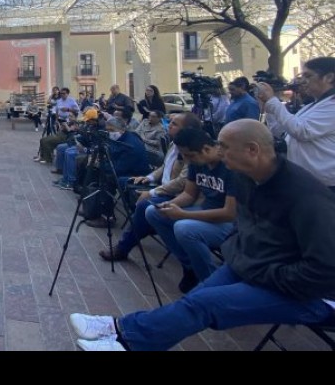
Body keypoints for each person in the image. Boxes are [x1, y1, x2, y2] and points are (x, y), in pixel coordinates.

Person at [69, 119, 335, 352]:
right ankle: (120, 329)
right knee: (196, 298)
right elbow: (246, 227)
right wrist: (241, 257)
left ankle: (127, 341)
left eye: (225, 146)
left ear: (252, 150)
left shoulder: (306, 197)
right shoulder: (246, 177)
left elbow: (323, 271)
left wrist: (261, 272)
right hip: (256, 265)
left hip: (310, 293)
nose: (219, 151)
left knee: (205, 304)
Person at [98, 112, 201, 263]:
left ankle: (124, 247)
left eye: (174, 124)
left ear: (187, 129)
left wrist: (153, 192)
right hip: (161, 186)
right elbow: (164, 167)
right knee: (123, 182)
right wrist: (149, 177)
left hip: (174, 194)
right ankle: (132, 220)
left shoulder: (192, 151)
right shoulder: (173, 144)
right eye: (170, 122)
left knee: (144, 205)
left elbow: (181, 182)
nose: (169, 125)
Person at [145, 127, 237, 292]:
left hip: (229, 223)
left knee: (184, 228)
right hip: (203, 211)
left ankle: (211, 285)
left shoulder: (230, 166)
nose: (187, 160)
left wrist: (183, 214)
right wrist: (170, 205)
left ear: (206, 149)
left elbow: (229, 213)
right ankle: (191, 266)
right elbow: (189, 194)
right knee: (153, 212)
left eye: (190, 156)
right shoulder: (196, 162)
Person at [254, 56, 335, 187]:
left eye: (308, 76)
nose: (303, 81)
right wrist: (267, 106)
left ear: (329, 77)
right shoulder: (312, 106)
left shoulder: (332, 105)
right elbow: (283, 132)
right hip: (306, 180)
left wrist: (273, 102)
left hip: (326, 185)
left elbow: (301, 131)